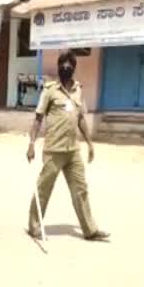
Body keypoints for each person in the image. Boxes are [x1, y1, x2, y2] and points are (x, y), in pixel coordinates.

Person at [26, 50, 109, 242]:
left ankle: (90, 230)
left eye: (69, 64)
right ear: (58, 67)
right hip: (54, 150)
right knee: (43, 189)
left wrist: (89, 143)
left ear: (74, 68)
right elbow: (38, 119)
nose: (66, 67)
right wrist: (31, 144)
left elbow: (80, 118)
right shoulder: (49, 90)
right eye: (63, 63)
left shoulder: (78, 89)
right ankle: (34, 226)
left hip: (73, 151)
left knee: (81, 190)